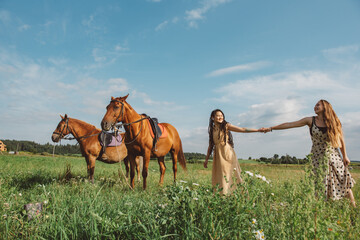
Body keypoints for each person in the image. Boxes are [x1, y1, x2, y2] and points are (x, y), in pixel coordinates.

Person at [261, 100, 356, 207]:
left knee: (343, 183)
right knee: (319, 185)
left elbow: (341, 139)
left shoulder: (334, 121)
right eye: (315, 105)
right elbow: (290, 124)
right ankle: (321, 211)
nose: (315, 106)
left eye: (318, 105)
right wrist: (271, 128)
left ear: (325, 107)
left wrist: (345, 156)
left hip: (334, 158)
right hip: (317, 158)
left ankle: (354, 209)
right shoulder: (310, 120)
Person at [204, 109, 263, 195]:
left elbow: (242, 129)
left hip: (227, 153)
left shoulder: (226, 125)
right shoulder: (212, 130)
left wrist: (258, 130)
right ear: (212, 118)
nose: (220, 117)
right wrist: (206, 160)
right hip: (218, 155)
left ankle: (235, 195)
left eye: (222, 115)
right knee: (220, 176)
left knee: (230, 175)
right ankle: (221, 196)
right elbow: (210, 146)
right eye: (218, 115)